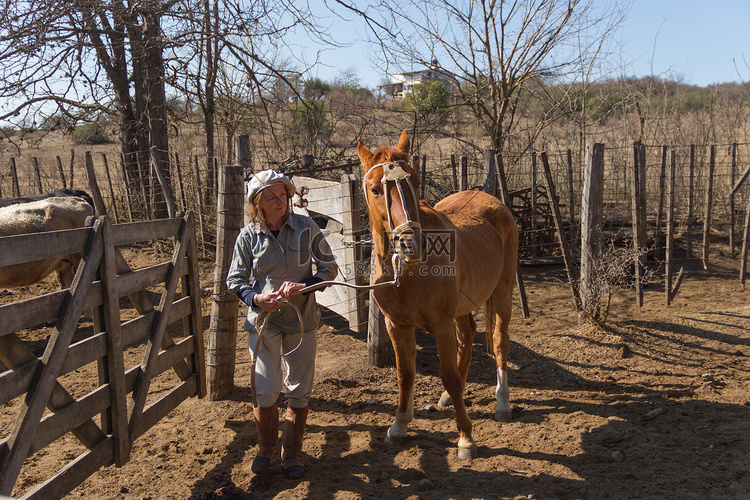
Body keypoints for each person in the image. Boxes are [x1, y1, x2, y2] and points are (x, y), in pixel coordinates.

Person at [226, 169, 338, 480]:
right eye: (272, 197)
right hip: (264, 322)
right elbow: (234, 280)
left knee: (299, 391)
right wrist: (256, 298)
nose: (280, 201)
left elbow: (329, 268)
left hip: (301, 322)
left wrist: (306, 285)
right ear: (257, 203)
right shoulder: (248, 236)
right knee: (265, 390)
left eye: (283, 195)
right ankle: (266, 448)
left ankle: (292, 453)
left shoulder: (306, 227)